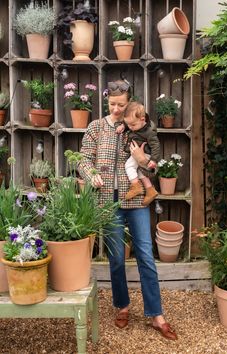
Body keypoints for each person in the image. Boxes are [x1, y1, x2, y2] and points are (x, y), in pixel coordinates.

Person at [78, 80, 177, 340]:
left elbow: (152, 161)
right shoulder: (96, 128)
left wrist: (146, 161)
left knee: (145, 254)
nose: (117, 109)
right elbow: (84, 159)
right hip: (108, 202)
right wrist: (91, 175)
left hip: (136, 200)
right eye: (112, 104)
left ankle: (157, 315)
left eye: (121, 104)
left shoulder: (138, 125)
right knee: (116, 258)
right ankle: (122, 306)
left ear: (128, 101)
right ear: (106, 101)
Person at [116, 101, 159, 206]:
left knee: (129, 166)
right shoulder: (136, 124)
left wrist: (153, 160)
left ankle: (136, 186)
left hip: (144, 153)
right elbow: (129, 123)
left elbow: (156, 146)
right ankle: (150, 190)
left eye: (133, 125)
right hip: (138, 153)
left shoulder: (149, 132)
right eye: (128, 125)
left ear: (142, 119)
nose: (130, 127)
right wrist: (123, 126)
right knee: (140, 172)